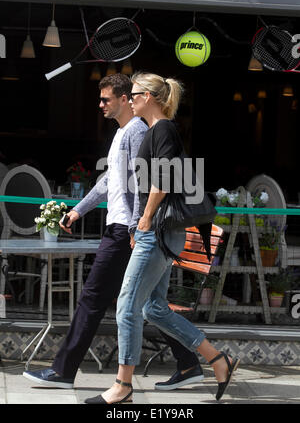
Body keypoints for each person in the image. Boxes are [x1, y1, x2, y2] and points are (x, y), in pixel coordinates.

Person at [23, 73, 203, 390]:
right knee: (149, 304)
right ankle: (190, 363)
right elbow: (110, 182)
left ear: (125, 99)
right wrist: (80, 209)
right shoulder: (123, 133)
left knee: (93, 298)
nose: (101, 104)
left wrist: (136, 226)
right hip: (124, 226)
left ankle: (65, 370)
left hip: (125, 229)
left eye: (107, 99)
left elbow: (142, 183)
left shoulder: (137, 132)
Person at [85, 72, 240, 405]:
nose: (130, 97)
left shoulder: (164, 129)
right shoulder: (154, 132)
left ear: (149, 97)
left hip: (157, 231)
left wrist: (143, 220)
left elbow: (164, 181)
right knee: (153, 308)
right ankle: (218, 359)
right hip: (154, 231)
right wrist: (137, 226)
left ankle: (122, 385)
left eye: (135, 93)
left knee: (127, 306)